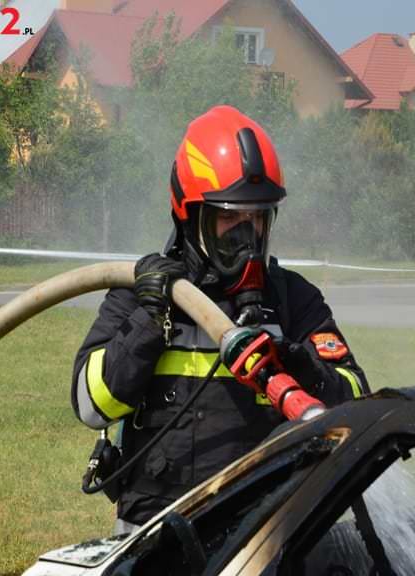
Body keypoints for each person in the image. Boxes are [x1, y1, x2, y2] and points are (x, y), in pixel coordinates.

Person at [72, 105, 368, 534]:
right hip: (153, 533)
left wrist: (298, 362)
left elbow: (357, 396)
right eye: (230, 217)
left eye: (257, 218)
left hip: (260, 531)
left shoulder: (294, 301)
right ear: (191, 216)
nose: (245, 235)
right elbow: (91, 405)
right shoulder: (140, 295)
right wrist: (150, 321)